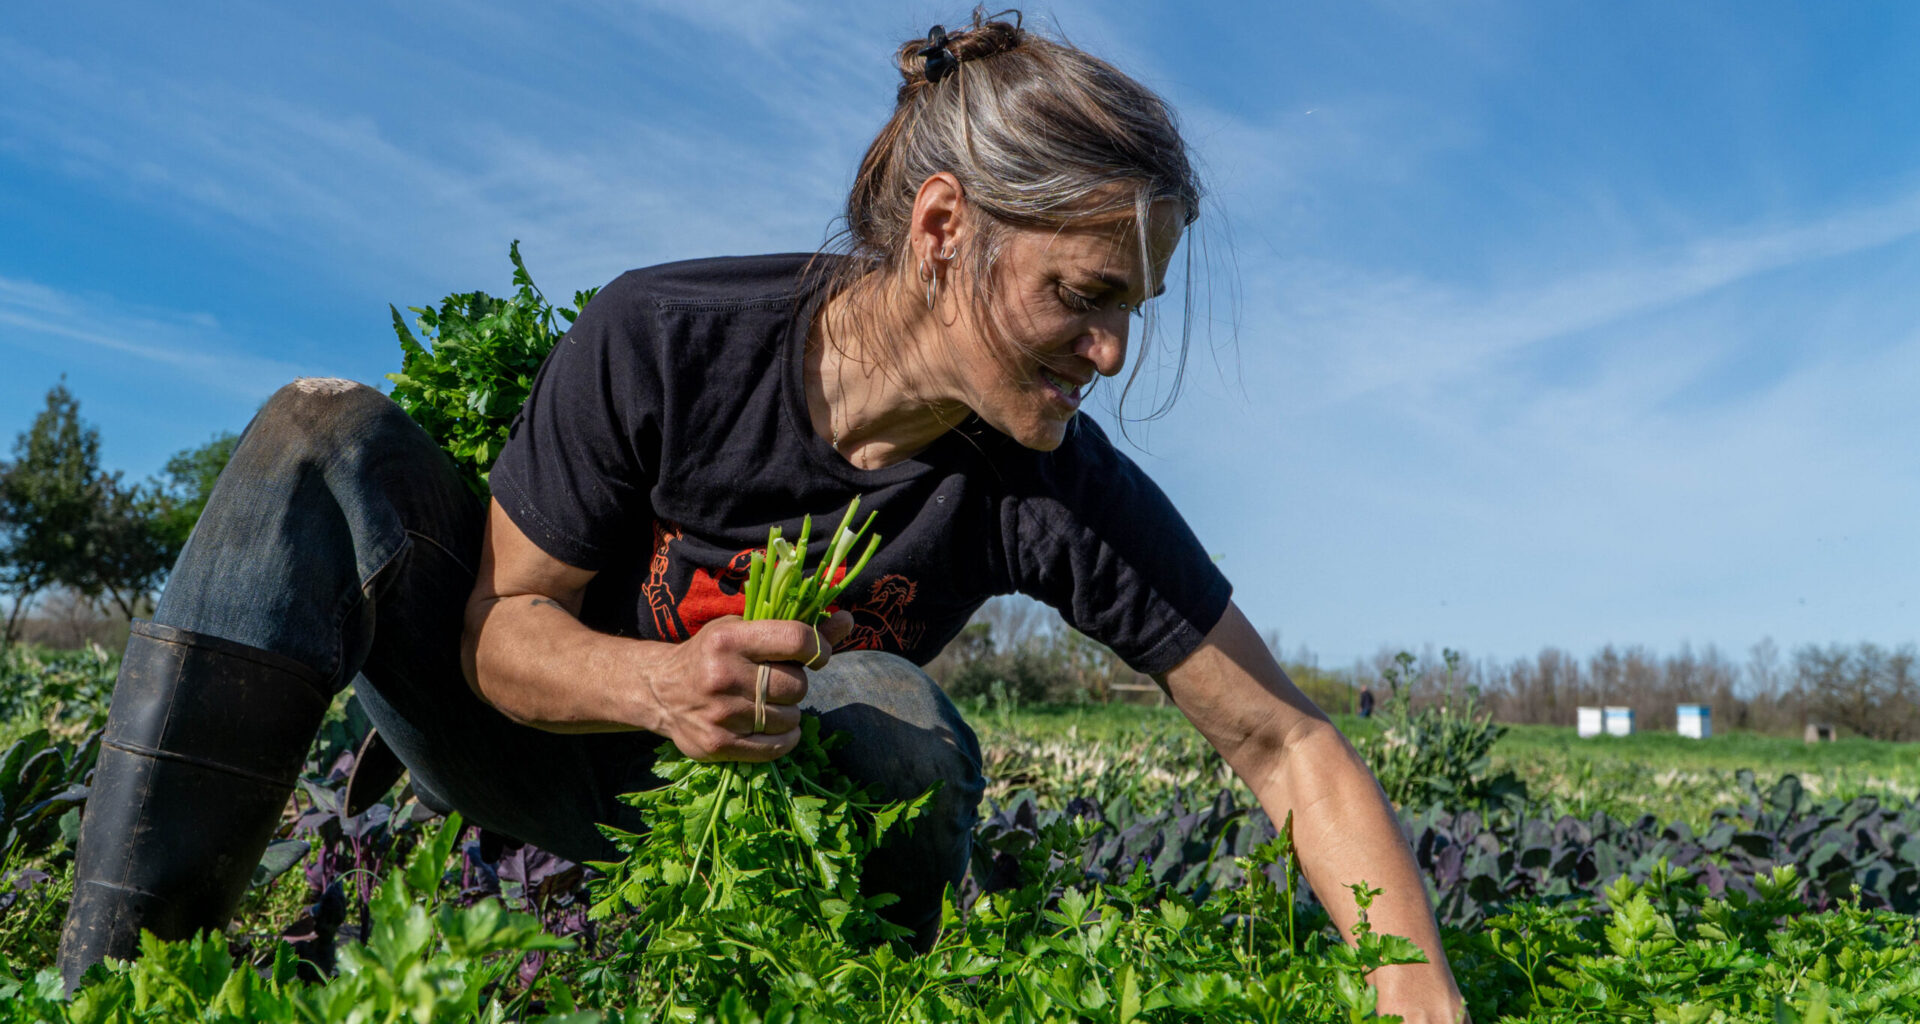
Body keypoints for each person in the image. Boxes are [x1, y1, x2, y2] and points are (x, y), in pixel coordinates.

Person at [58, 12, 1465, 1020]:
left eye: (1133, 310)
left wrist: (1419, 994)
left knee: (886, 704)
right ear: (943, 231)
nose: (1111, 353)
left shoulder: (1052, 482)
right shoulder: (670, 337)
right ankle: (118, 984)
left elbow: (1288, 744)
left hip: (766, 849)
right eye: (1083, 295)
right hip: (542, 754)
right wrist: (659, 685)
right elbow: (499, 632)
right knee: (319, 438)